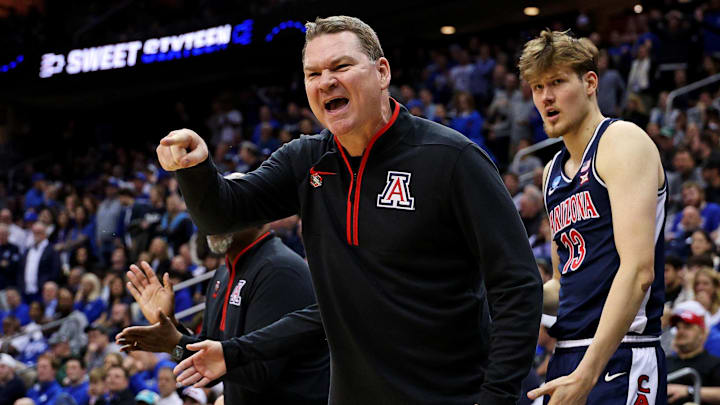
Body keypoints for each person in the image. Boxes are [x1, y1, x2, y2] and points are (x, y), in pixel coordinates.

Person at [154, 15, 541, 405]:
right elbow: (222, 215)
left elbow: (518, 286)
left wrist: (496, 397)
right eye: (313, 73)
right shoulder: (305, 160)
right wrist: (195, 170)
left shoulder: (453, 159)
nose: (326, 81)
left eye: (341, 66)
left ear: (382, 71)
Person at [518, 30, 667, 404]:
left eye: (556, 82)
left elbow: (638, 272)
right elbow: (561, 285)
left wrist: (588, 371)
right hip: (568, 353)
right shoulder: (552, 171)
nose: (546, 97)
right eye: (537, 87)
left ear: (589, 82)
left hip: (620, 354)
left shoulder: (622, 141)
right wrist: (509, 298)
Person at [117, 217, 330, 404]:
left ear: (259, 214)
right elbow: (212, 369)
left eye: (225, 209)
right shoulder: (222, 275)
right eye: (210, 212)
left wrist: (174, 342)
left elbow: (260, 372)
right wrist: (171, 327)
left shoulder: (280, 270)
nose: (213, 220)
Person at [666, 300, 720, 404]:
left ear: (702, 333)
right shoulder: (664, 362)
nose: (681, 331)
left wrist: (689, 391)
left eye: (687, 327)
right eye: (678, 327)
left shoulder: (714, 364)